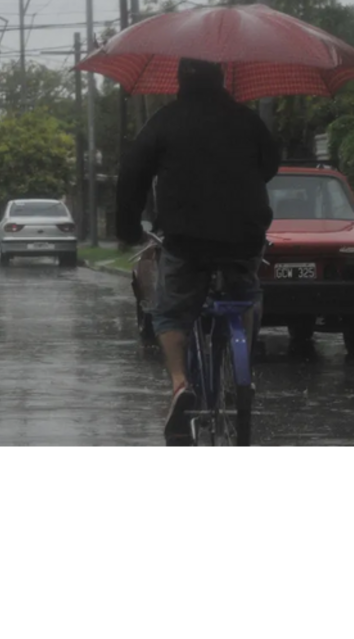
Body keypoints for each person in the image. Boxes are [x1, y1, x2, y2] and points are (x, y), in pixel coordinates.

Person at [116, 59, 281, 445]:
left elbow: (132, 175)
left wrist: (127, 230)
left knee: (170, 310)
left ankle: (179, 384)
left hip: (186, 239)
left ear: (179, 81)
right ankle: (244, 375)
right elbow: (270, 164)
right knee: (246, 295)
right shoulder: (247, 120)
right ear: (222, 78)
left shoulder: (164, 121)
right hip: (244, 236)